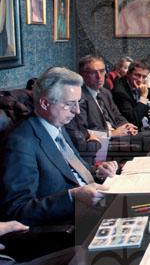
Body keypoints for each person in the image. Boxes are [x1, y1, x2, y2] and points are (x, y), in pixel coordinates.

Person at [0, 67, 117, 226]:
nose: (77, 111)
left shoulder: (56, 124)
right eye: (69, 104)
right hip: (70, 225)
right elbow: (17, 210)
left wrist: (98, 171)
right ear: (45, 103)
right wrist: (72, 197)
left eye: (78, 102)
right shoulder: (20, 143)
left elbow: (73, 171)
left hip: (93, 206)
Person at [65, 55, 139, 162]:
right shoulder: (79, 97)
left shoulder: (105, 93)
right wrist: (112, 134)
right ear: (83, 75)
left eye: (102, 71)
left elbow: (117, 116)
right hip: (102, 144)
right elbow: (81, 130)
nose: (99, 77)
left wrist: (127, 126)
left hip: (118, 137)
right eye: (93, 73)